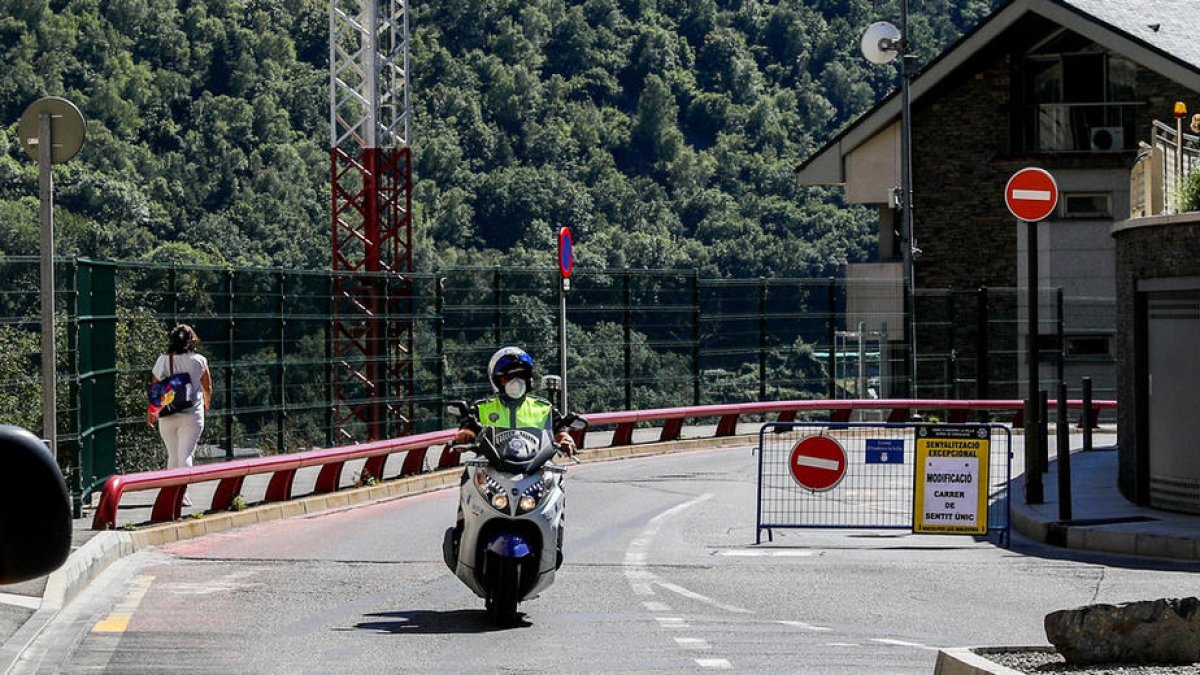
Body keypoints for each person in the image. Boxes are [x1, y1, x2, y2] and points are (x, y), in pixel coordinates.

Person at [447, 346, 576, 567]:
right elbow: (467, 427)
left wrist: (565, 438)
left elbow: (559, 429)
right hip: (492, 469)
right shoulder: (483, 407)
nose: (516, 381)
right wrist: (464, 435)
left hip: (534, 470)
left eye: (522, 376)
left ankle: (554, 547)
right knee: (467, 479)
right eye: (509, 376)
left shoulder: (543, 408)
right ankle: (462, 537)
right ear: (498, 380)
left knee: (557, 487)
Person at [146, 324, 212, 506]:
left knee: (173, 455)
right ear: (191, 341)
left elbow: (156, 388)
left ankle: (171, 492)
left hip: (168, 413)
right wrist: (206, 403)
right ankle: (182, 494)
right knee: (186, 455)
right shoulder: (199, 360)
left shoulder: (162, 360)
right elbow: (207, 387)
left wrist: (151, 411)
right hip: (192, 413)